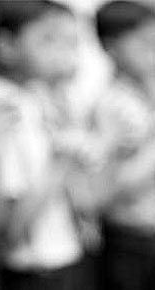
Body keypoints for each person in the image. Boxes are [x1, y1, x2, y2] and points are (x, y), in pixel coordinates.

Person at [0, 1, 92, 289]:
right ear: (6, 45)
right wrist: (62, 161)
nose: (64, 52)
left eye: (71, 42)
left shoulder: (40, 97)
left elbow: (86, 199)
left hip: (66, 256)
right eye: (48, 39)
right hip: (32, 271)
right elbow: (10, 228)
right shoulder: (2, 106)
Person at [94, 2, 155, 289]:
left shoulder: (148, 92)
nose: (152, 49)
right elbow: (116, 186)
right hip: (132, 239)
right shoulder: (111, 105)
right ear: (111, 47)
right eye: (142, 41)